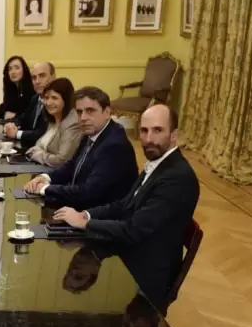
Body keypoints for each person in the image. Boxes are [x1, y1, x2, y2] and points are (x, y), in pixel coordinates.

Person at [53, 104, 200, 312]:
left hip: (146, 273)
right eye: (144, 131)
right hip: (133, 249)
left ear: (174, 135)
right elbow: (124, 205)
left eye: (158, 130)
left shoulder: (177, 178)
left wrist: (86, 224)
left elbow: (133, 229)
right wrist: (84, 214)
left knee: (80, 303)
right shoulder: (159, 164)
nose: (149, 138)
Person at [25, 87, 138, 209]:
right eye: (79, 112)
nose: (83, 118)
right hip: (83, 208)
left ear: (107, 112)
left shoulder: (114, 145)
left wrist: (46, 189)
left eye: (90, 111)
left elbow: (88, 193)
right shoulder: (92, 133)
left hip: (102, 218)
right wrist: (45, 177)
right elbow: (72, 166)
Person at [25, 77, 82, 167]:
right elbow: (39, 145)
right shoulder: (53, 118)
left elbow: (62, 160)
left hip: (59, 178)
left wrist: (40, 155)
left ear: (66, 100)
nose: (48, 102)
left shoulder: (72, 123)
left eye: (54, 98)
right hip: (42, 172)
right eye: (46, 98)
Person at [3, 62, 55, 147]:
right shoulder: (35, 98)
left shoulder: (54, 102)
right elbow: (23, 118)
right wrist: (11, 125)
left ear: (53, 77)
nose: (37, 81)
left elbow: (42, 133)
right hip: (30, 148)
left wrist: (16, 134)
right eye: (34, 78)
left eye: (42, 76)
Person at [0, 56, 35, 121]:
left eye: (16, 68)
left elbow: (30, 113)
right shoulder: (12, 89)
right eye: (10, 69)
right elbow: (5, 107)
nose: (13, 72)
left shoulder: (32, 89)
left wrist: (15, 115)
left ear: (24, 70)